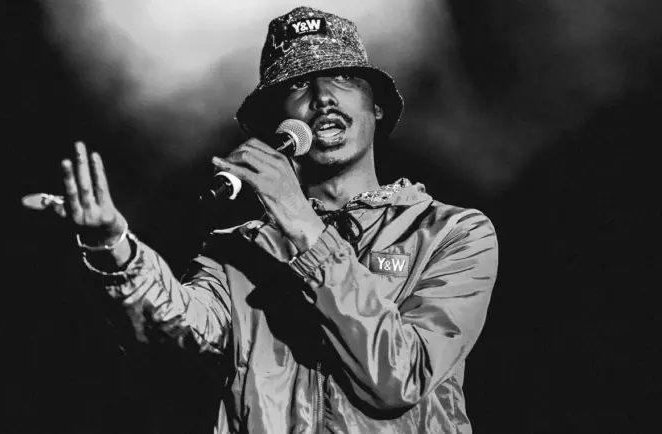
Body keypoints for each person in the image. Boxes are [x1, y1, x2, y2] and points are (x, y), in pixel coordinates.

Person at [28, 6, 499, 433]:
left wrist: (302, 224)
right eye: (298, 85)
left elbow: (399, 379)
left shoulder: (453, 233)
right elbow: (174, 343)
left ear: (376, 105)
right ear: (277, 122)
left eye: (342, 77)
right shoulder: (236, 254)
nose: (322, 97)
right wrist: (113, 248)